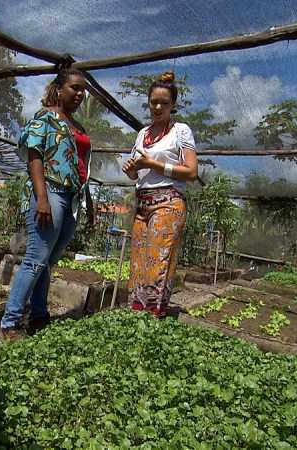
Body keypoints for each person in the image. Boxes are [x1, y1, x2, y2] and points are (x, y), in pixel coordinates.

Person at [0, 67, 94, 341]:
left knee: (47, 261)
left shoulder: (78, 127)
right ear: (59, 88)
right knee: (35, 259)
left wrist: (88, 201)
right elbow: (34, 156)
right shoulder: (46, 118)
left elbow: (81, 166)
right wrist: (41, 198)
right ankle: (9, 324)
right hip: (50, 190)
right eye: (74, 88)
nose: (79, 94)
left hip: (72, 196)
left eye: (82, 90)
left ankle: (39, 317)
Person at [122, 71, 198, 317]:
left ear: (172, 105)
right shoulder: (142, 134)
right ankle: (136, 315)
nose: (157, 107)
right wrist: (132, 170)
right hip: (142, 202)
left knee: (158, 263)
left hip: (168, 202)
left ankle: (152, 316)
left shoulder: (181, 131)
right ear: (148, 101)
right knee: (138, 263)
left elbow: (191, 172)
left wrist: (153, 164)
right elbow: (137, 177)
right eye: (153, 101)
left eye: (164, 103)